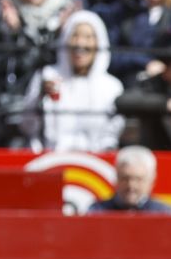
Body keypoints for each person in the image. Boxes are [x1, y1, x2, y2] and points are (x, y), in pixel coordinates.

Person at [16, 8, 125, 152]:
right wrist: (39, 97)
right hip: (49, 161)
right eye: (75, 35)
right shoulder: (47, 75)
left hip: (95, 164)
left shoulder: (112, 87)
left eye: (88, 37)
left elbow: (112, 135)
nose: (80, 43)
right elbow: (26, 126)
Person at [87, 144, 171, 212]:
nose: (131, 185)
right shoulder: (97, 211)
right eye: (125, 178)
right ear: (117, 178)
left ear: (151, 180)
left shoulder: (163, 213)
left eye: (138, 179)